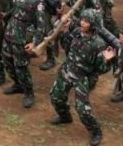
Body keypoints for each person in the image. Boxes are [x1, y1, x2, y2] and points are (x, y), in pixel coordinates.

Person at [48, 8, 117, 144]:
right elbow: (66, 47)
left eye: (86, 21)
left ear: (93, 24)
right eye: (82, 20)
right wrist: (66, 32)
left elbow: (101, 69)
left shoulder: (99, 44)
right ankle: (65, 117)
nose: (82, 23)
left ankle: (96, 131)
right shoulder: (77, 33)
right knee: (56, 97)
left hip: (82, 77)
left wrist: (107, 60)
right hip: (67, 70)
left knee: (82, 109)